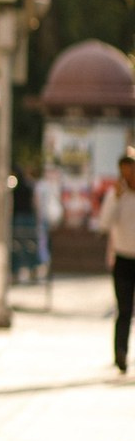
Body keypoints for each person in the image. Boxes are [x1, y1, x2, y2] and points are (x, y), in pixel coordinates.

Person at [96, 148, 135, 373]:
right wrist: (116, 199)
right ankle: (120, 352)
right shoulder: (116, 195)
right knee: (124, 310)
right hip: (123, 259)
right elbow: (104, 224)